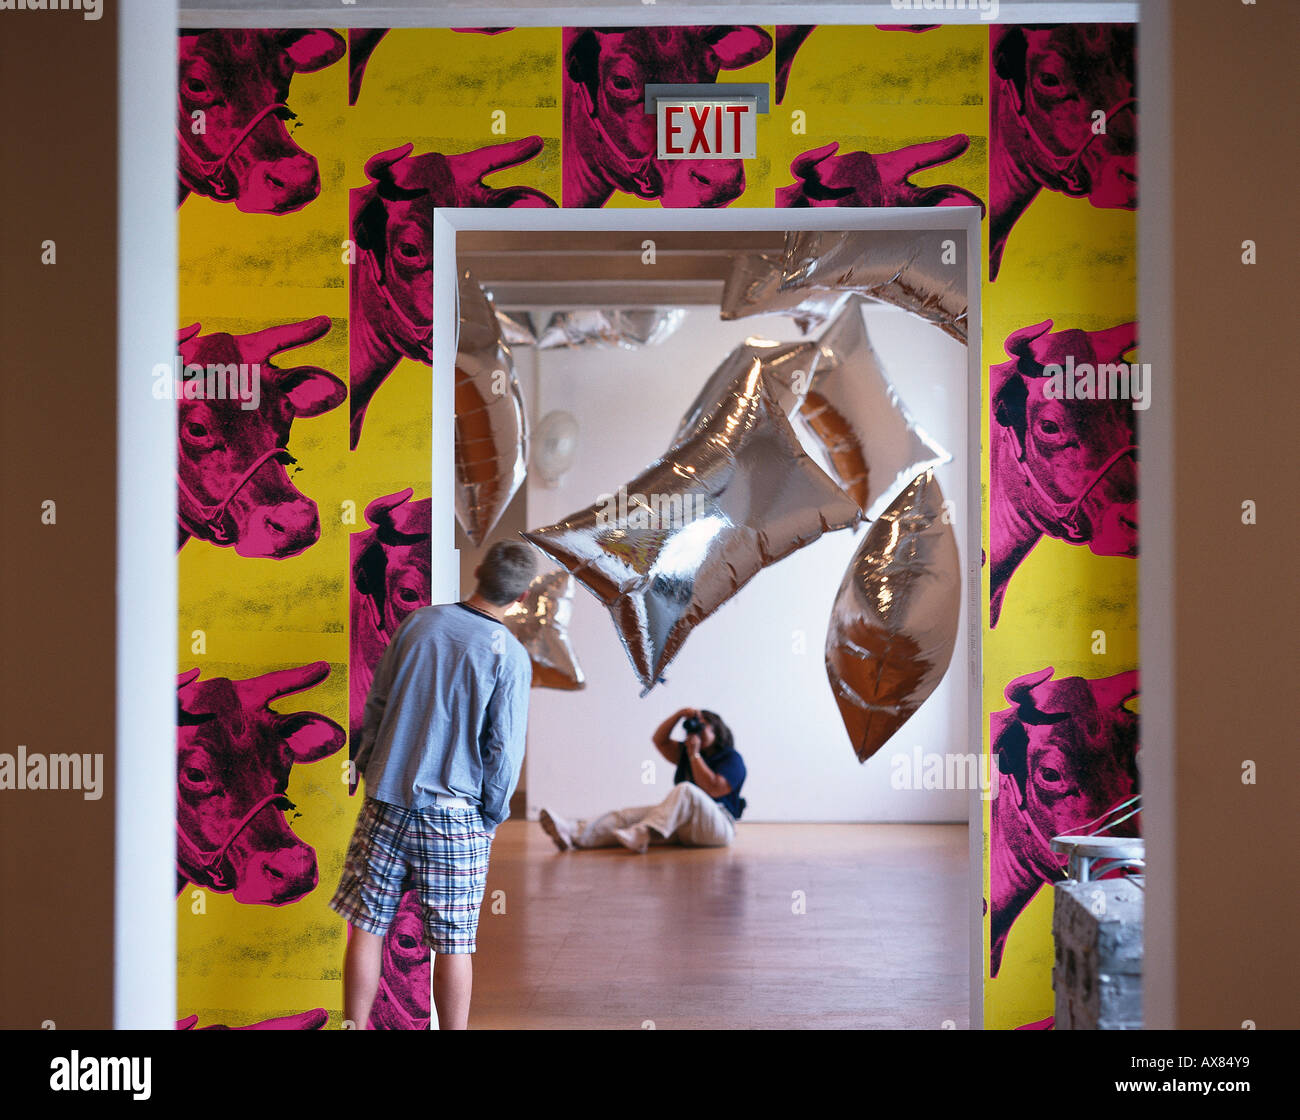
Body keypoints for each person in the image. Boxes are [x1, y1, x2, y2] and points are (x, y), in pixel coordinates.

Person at [329, 540, 536, 1030]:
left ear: (480, 571)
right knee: (454, 943)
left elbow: (376, 702)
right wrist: (492, 815)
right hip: (455, 815)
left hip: (387, 801)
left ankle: (353, 1028)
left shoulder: (421, 622)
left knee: (366, 927)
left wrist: (367, 766)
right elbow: (503, 751)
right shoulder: (509, 654)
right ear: (522, 597)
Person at [539, 707, 746, 854]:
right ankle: (573, 833)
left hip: (719, 828)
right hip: (686, 829)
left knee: (685, 789)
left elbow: (715, 788)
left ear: (716, 730)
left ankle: (642, 834)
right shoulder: (686, 752)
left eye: (703, 727)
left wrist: (695, 755)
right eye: (694, 728)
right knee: (628, 816)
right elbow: (660, 740)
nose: (697, 732)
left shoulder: (731, 758)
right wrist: (680, 714)